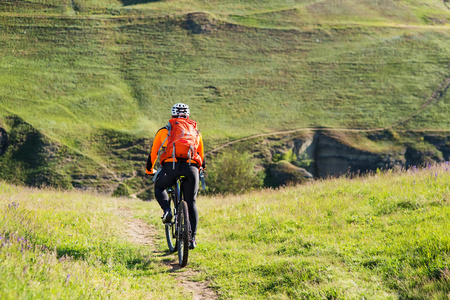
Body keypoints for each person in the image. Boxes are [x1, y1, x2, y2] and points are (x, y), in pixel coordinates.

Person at [145, 103, 205, 249]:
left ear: (172, 115)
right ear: (188, 116)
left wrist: (149, 169)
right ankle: (192, 239)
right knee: (191, 203)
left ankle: (167, 211)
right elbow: (201, 156)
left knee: (159, 187)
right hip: (191, 168)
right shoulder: (196, 132)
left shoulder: (164, 131)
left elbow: (154, 152)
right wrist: (200, 170)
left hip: (170, 167)